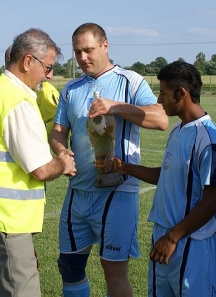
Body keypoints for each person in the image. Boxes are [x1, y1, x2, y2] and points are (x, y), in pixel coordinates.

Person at [49, 23, 169, 297]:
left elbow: (160, 119)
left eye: (88, 50)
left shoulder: (130, 80)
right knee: (69, 266)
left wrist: (116, 106)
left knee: (112, 269)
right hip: (78, 192)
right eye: (77, 52)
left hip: (117, 191)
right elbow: (58, 131)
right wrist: (60, 150)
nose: (82, 58)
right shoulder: (71, 89)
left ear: (105, 46)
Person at [0, 28, 76, 297]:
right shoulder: (18, 102)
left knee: (2, 289)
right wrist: (63, 162)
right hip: (8, 220)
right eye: (48, 67)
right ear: (28, 61)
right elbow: (40, 168)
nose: (49, 75)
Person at [113, 61, 216, 296]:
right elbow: (168, 176)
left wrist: (173, 237)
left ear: (181, 94)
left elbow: (214, 198)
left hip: (190, 242)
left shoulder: (210, 138)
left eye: (163, 93)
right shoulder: (178, 130)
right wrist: (126, 168)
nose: (158, 99)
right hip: (164, 237)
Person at [5, 45, 59, 137]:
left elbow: (58, 123)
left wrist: (35, 129)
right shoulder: (4, 91)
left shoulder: (47, 91)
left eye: (50, 68)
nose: (50, 76)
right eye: (47, 68)